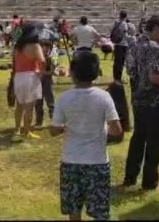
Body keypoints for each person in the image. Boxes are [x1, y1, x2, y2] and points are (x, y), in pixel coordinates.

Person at [50, 51, 122, 221]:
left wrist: (66, 127)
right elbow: (117, 130)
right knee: (100, 211)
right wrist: (101, 130)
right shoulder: (104, 97)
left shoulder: (64, 98)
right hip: (97, 162)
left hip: (70, 161)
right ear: (96, 73)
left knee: (74, 210)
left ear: (72, 74)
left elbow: (53, 130)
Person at [121, 14, 159, 191]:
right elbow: (155, 77)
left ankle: (130, 178)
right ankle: (149, 182)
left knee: (138, 139)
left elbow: (130, 71)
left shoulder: (133, 44)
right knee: (154, 143)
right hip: (155, 102)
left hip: (137, 100)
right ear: (157, 29)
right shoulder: (154, 48)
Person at [13, 22, 45, 138]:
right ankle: (26, 131)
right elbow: (42, 61)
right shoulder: (35, 46)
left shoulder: (18, 46)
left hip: (18, 76)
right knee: (29, 107)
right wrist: (41, 73)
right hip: (31, 76)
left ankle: (17, 129)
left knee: (19, 105)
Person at [34, 40, 55, 129]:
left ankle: (55, 121)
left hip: (47, 84)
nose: (45, 49)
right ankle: (39, 122)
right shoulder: (36, 59)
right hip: (37, 84)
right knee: (38, 103)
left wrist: (42, 72)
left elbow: (51, 72)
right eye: (43, 47)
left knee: (50, 103)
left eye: (48, 48)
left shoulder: (50, 59)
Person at [110, 11, 129, 82]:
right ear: (126, 16)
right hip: (123, 45)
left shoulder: (116, 23)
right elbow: (125, 34)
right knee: (121, 63)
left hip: (116, 44)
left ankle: (115, 78)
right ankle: (119, 78)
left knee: (116, 62)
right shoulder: (124, 24)